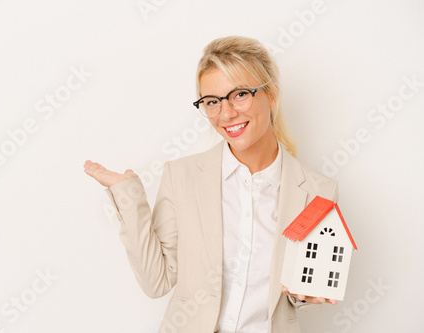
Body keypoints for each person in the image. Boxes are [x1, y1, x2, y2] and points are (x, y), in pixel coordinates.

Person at [84, 36, 339, 333]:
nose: (226, 113)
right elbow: (156, 281)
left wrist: (308, 293)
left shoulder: (317, 191)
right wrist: (129, 198)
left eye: (240, 94)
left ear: (271, 96)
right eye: (212, 101)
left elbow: (304, 290)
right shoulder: (181, 176)